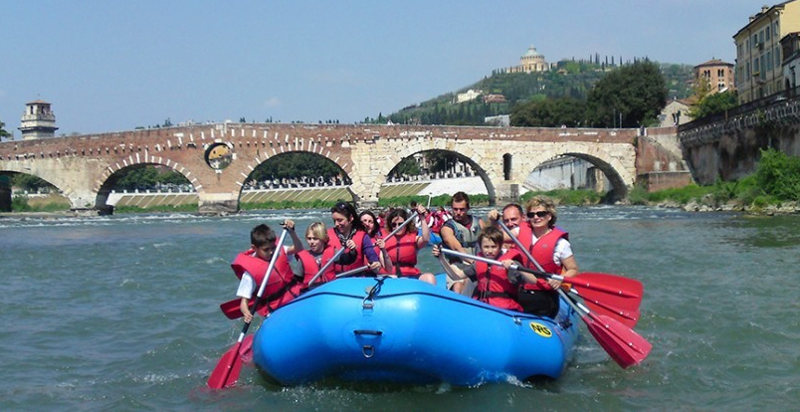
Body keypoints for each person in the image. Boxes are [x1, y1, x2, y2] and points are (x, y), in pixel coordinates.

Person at [514, 196, 579, 317]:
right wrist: (493, 221)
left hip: (544, 298)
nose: (536, 217)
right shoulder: (519, 231)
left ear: (549, 216)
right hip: (519, 292)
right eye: (531, 214)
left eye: (540, 214)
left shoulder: (561, 244)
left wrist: (560, 279)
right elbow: (495, 238)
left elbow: (573, 269)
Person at [433, 226, 524, 311]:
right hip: (483, 305)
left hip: (504, 309)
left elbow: (530, 281)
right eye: (486, 247)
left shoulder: (511, 263)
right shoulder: (479, 263)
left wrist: (515, 267)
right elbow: (457, 276)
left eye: (493, 247)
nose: (490, 251)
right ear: (481, 247)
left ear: (500, 247)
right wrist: (441, 258)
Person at [232, 224, 302, 323]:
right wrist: (246, 312)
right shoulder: (249, 274)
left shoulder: (277, 251)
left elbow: (298, 248)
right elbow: (244, 303)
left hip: (295, 297)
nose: (271, 252)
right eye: (266, 250)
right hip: (275, 310)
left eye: (272, 248)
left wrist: (292, 232)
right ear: (254, 248)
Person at [374, 204, 436, 284]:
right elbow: (385, 266)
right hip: (391, 276)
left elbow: (425, 239)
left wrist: (422, 218)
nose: (397, 227)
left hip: (410, 275)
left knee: (429, 277)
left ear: (406, 225)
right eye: (394, 225)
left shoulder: (414, 238)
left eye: (400, 224)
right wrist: (382, 249)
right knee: (393, 278)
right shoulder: (384, 240)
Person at [439, 191, 486, 294]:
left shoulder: (480, 223)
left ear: (468, 208)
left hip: (478, 265)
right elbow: (457, 249)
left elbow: (493, 240)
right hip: (457, 267)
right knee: (459, 285)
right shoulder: (447, 228)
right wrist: (475, 263)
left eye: (462, 209)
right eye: (455, 209)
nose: (458, 212)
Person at [328, 201, 382, 274]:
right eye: (334, 220)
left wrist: (375, 265)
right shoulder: (327, 235)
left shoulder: (363, 236)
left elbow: (373, 259)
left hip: (356, 280)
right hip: (334, 280)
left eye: (340, 220)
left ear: (350, 218)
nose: (336, 224)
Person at [291, 221, 338, 287]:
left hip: (330, 288)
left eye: (315, 239)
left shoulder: (334, 253)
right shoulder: (303, 258)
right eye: (309, 238)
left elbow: (348, 260)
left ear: (323, 239)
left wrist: (352, 251)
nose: (311, 242)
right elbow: (297, 279)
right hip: (312, 291)